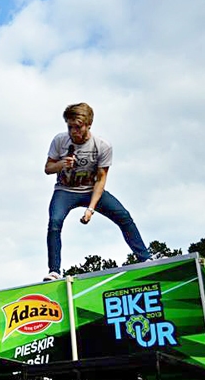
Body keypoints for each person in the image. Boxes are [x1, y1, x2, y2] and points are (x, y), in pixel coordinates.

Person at [43, 102, 150, 281]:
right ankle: (54, 271)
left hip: (91, 190)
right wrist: (61, 164)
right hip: (65, 190)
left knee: (123, 216)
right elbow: (48, 168)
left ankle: (145, 258)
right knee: (54, 222)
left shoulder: (102, 146)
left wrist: (91, 209)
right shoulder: (60, 141)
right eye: (70, 127)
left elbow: (101, 179)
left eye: (77, 127)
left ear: (88, 125)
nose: (73, 132)